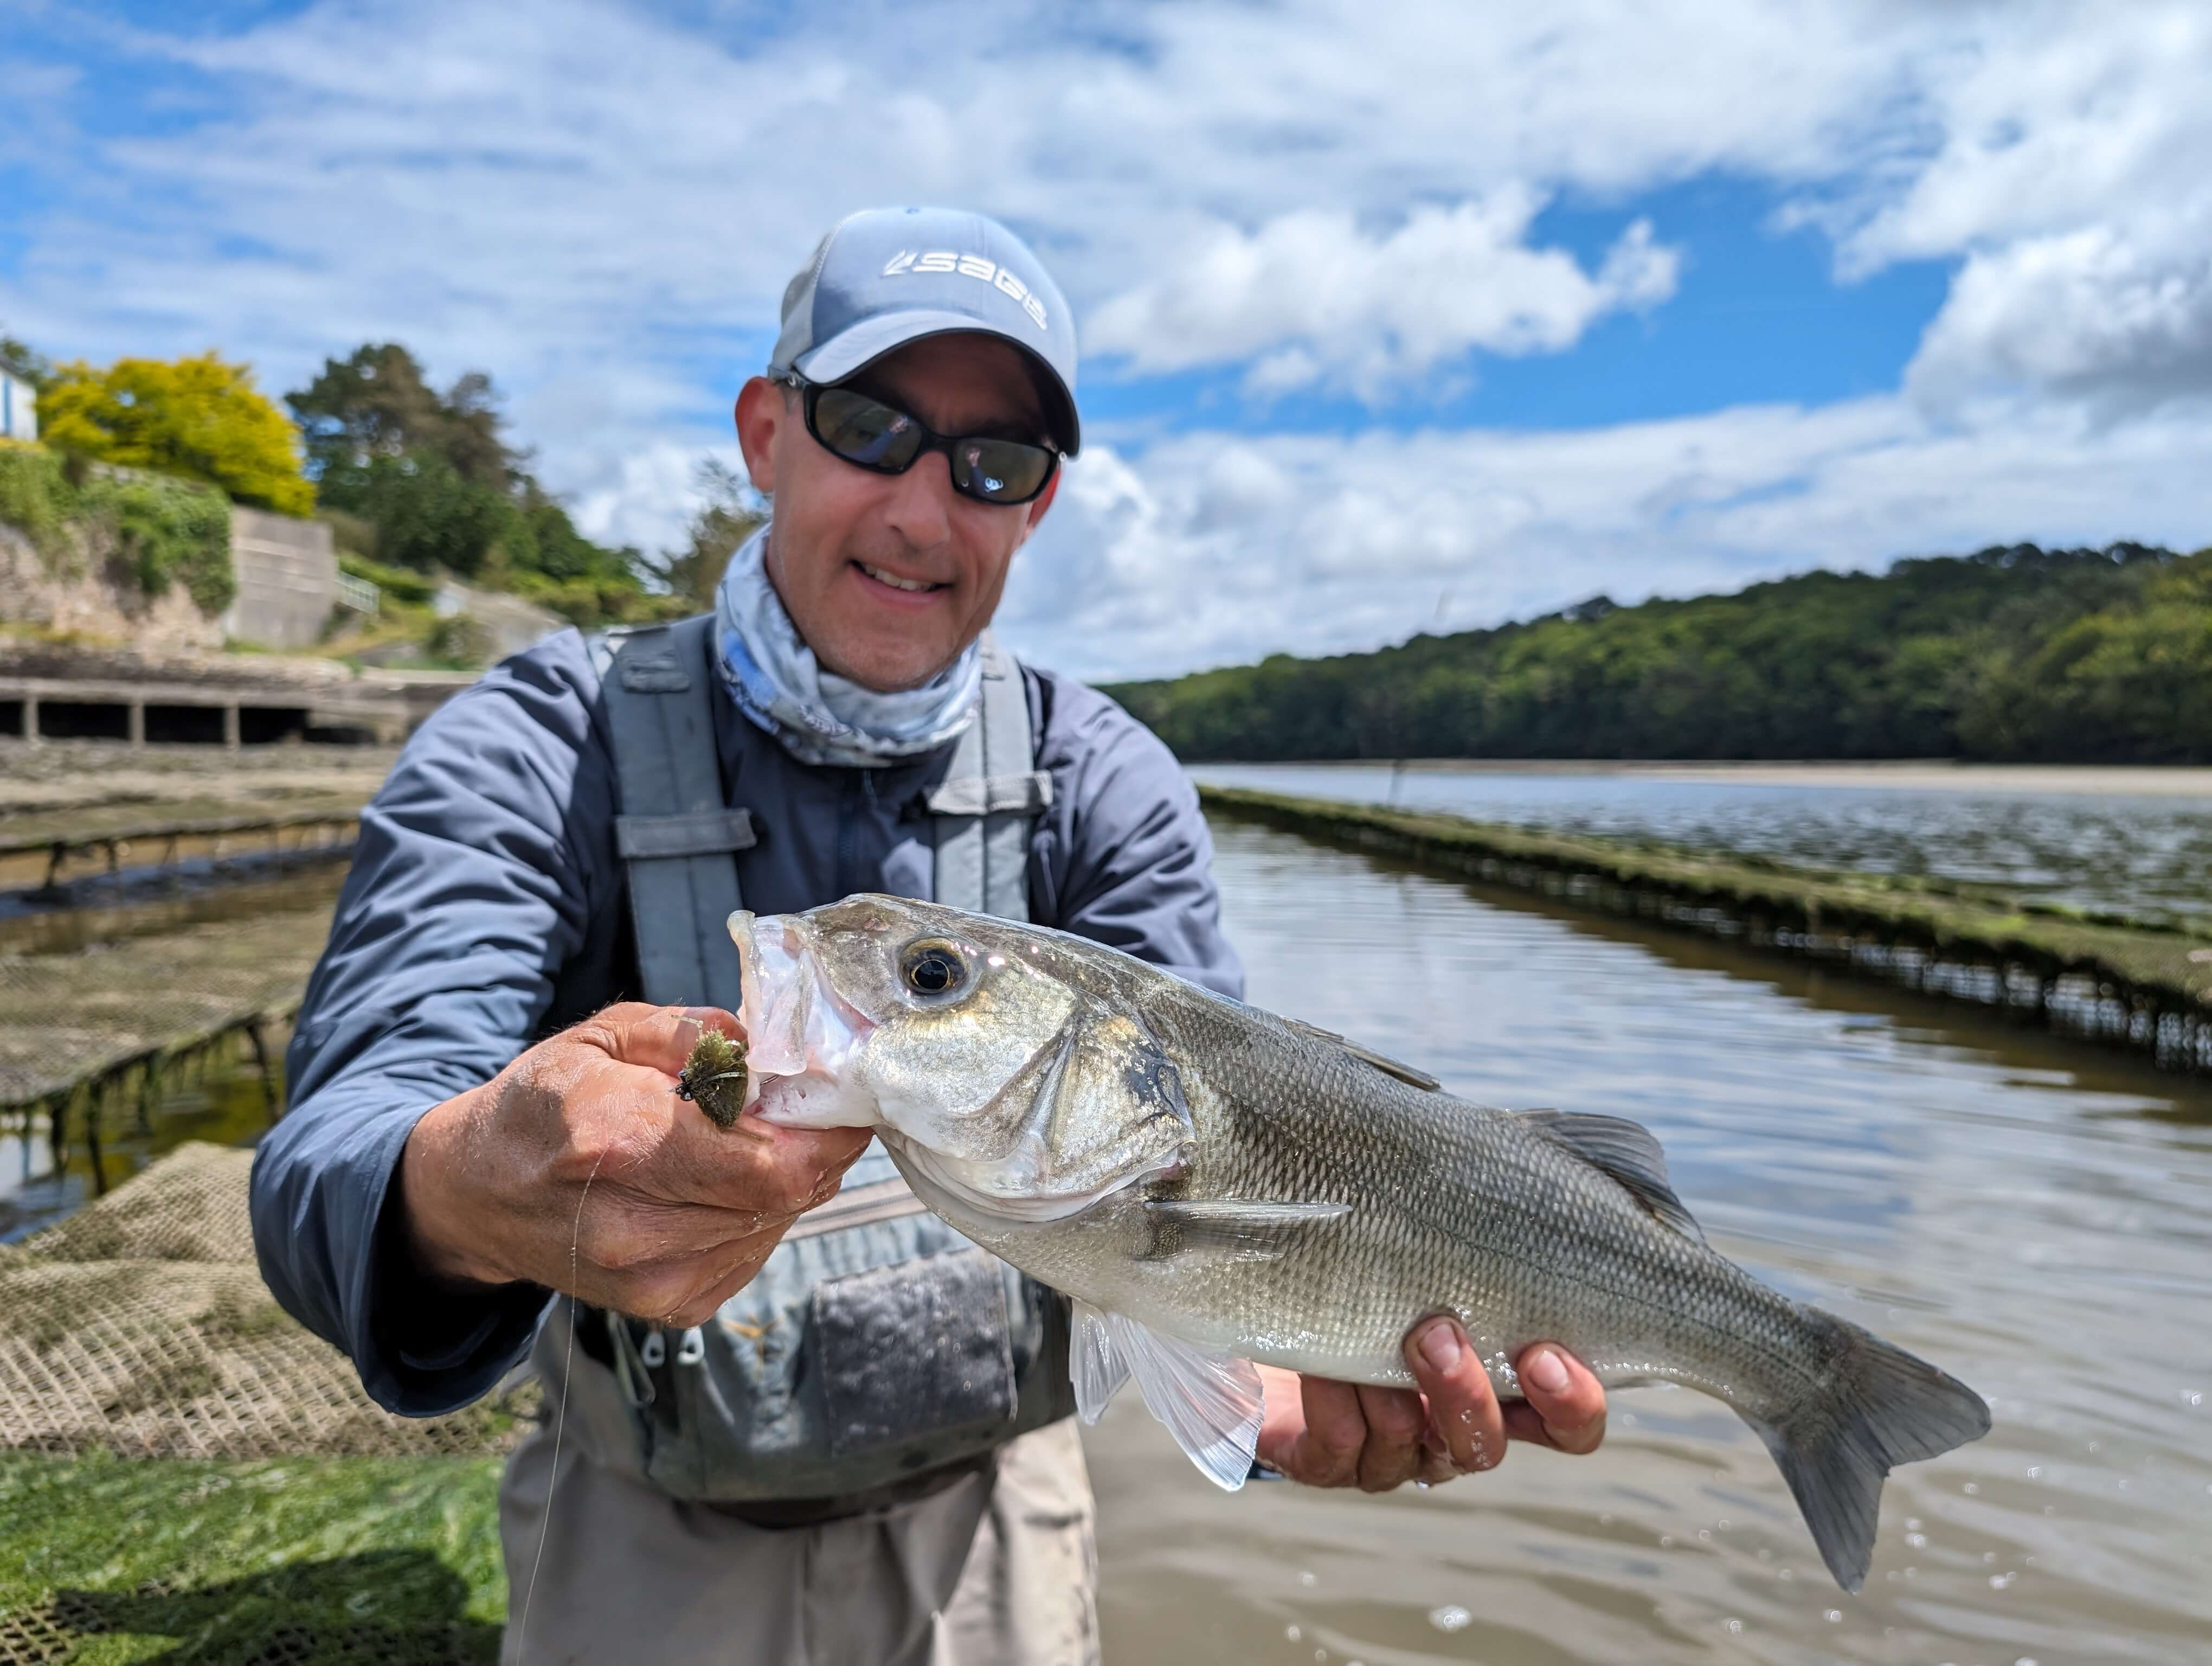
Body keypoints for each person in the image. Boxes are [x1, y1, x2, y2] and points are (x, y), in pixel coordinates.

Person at [249, 207, 1607, 1666]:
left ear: (1039, 506)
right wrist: (458, 1184)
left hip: (998, 1523)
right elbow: (337, 1143)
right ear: (764, 432)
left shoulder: (1109, 782)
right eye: (870, 425)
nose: (920, 507)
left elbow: (1223, 1156)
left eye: (992, 462)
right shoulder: (534, 743)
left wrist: (1271, 1381)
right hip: (644, 1525)